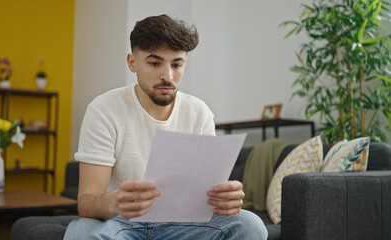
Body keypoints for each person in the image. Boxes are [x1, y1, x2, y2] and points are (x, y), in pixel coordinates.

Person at [64, 14, 267, 240]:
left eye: (176, 64)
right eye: (154, 63)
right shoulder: (103, 110)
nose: (167, 76)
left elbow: (208, 195)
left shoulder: (200, 113)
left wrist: (226, 198)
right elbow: (87, 201)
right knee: (81, 232)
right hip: (121, 222)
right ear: (132, 63)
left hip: (184, 224)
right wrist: (113, 202)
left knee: (251, 225)